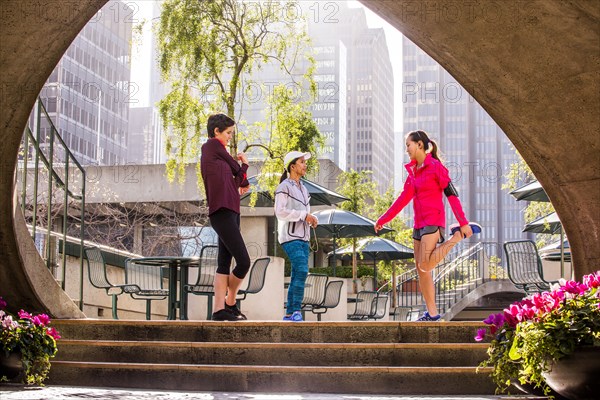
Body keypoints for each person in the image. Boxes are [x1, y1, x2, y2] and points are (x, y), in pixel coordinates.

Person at [374, 130, 481, 321]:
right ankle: (432, 314)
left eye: (408, 145)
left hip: (433, 221)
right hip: (418, 224)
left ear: (420, 145)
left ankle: (455, 238)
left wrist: (463, 223)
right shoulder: (413, 172)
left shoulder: (436, 167)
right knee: (422, 270)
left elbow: (452, 195)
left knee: (424, 265)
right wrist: (383, 219)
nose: (406, 149)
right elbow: (402, 200)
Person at [200, 113, 251, 321]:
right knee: (244, 262)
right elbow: (237, 169)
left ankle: (219, 311)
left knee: (224, 263)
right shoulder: (211, 147)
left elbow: (239, 180)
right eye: (228, 133)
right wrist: (243, 165)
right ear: (216, 132)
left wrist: (243, 170)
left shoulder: (219, 158)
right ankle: (230, 302)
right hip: (221, 212)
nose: (230, 137)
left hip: (232, 211)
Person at [274, 151, 319, 322]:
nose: (305, 165)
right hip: (289, 237)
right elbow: (280, 212)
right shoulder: (283, 187)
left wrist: (311, 219)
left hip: (304, 237)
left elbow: (304, 212)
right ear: (292, 166)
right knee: (302, 269)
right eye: (301, 162)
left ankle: (288, 313)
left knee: (296, 274)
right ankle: (295, 311)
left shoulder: (304, 188)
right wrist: (303, 215)